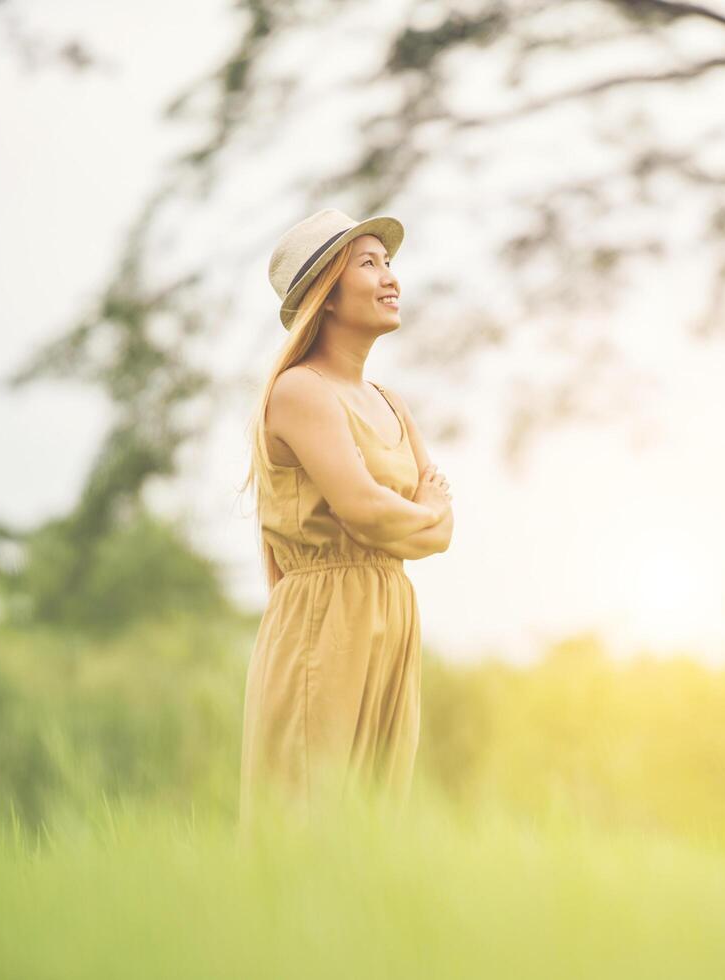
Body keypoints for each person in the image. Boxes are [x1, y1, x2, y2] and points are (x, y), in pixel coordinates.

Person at [237, 208, 454, 827]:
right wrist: (424, 508)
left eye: (389, 263)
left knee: (374, 827)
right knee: (308, 823)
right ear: (326, 295)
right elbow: (365, 511)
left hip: (391, 613)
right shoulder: (301, 391)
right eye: (369, 263)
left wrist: (422, 517)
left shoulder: (390, 402)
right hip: (323, 622)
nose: (391, 277)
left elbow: (439, 530)